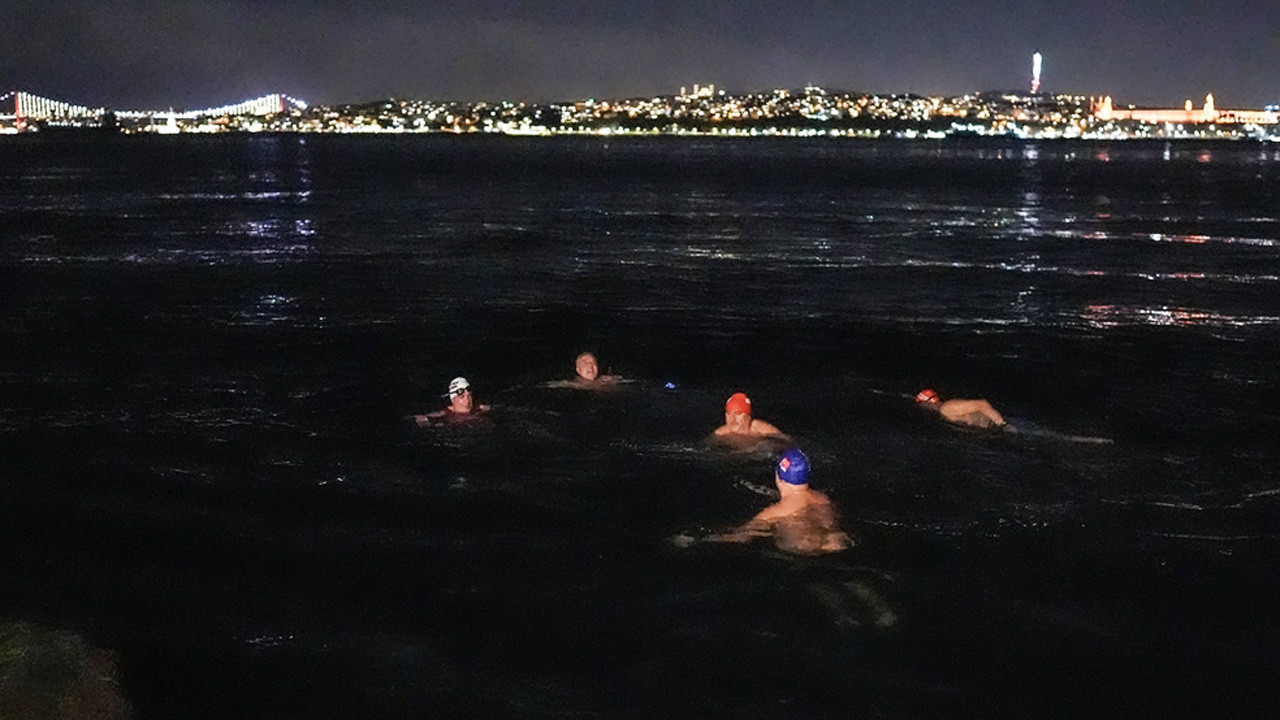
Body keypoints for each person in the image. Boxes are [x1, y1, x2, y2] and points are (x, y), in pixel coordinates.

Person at [700, 449, 852, 555]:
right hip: (837, 546)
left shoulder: (776, 512)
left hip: (804, 553)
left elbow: (741, 536)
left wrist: (702, 539)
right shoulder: (823, 498)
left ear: (778, 477)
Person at [915, 388, 1008, 430]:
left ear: (928, 402)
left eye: (922, 404)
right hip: (991, 427)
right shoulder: (944, 410)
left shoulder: (946, 408)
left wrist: (1001, 423)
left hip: (997, 426)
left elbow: (981, 404)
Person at [413, 376, 490, 425]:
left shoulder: (479, 408)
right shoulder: (447, 412)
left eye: (469, 396)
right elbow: (429, 416)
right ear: (453, 400)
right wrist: (424, 421)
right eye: (462, 397)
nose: (467, 400)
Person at [711, 392, 787, 441]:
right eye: (729, 414)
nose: (732, 419)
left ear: (748, 417)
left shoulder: (763, 430)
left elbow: (786, 443)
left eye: (738, 414)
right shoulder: (720, 434)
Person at [547, 351, 625, 389]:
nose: (590, 365)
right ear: (578, 370)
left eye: (593, 363)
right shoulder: (570, 385)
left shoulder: (608, 381)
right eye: (585, 363)